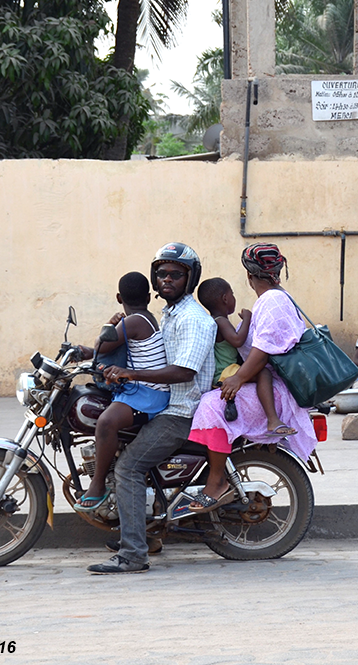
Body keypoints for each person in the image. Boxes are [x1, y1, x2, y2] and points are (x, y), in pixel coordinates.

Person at [86, 243, 216, 575]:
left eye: (175, 274)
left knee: (128, 468)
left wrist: (132, 373)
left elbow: (184, 372)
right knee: (125, 451)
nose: (166, 280)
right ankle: (144, 533)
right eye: (161, 274)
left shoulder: (193, 318)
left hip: (180, 411)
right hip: (166, 404)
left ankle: (133, 555)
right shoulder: (170, 313)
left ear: (191, 278)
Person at [187, 244, 318, 512]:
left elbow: (265, 350)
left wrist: (238, 378)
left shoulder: (272, 300)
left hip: (275, 388)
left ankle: (216, 482)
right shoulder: (270, 300)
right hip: (262, 380)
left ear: (249, 276)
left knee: (211, 406)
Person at [72, 272, 170, 512]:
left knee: (105, 422)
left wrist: (110, 323)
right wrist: (81, 352)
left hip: (149, 392)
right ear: (148, 296)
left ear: (118, 297)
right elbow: (101, 350)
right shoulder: (144, 318)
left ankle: (97, 486)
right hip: (141, 388)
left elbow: (101, 345)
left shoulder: (134, 321)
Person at [196, 277, 296, 436]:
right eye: (232, 294)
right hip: (225, 372)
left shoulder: (218, 321)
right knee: (264, 373)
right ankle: (272, 419)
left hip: (227, 369)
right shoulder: (220, 321)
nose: (234, 298)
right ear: (225, 298)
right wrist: (248, 319)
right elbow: (237, 340)